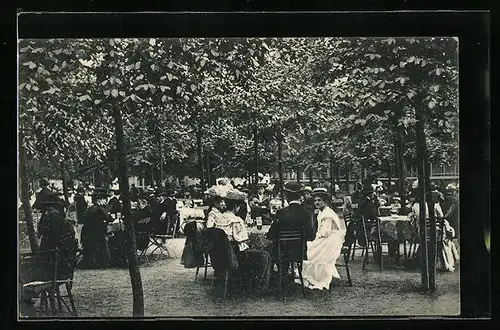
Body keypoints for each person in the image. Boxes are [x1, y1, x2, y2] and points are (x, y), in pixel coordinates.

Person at [295, 188, 346, 291]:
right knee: (311, 247)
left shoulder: (327, 214)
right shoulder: (322, 211)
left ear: (325, 202)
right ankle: (313, 274)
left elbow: (325, 232)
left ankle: (318, 277)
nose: (317, 202)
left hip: (330, 240)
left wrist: (315, 237)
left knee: (311, 249)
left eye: (319, 200)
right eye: (315, 201)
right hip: (327, 238)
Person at [267, 182, 315, 288]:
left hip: (282, 253)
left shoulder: (281, 212)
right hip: (300, 252)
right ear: (300, 196)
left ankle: (281, 277)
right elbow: (311, 236)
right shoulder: (306, 213)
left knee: (271, 249)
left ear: (287, 197)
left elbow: (271, 235)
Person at [79, 193, 112, 269]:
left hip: (86, 232)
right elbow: (108, 218)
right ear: (99, 200)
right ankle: (104, 263)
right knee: (104, 241)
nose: (105, 201)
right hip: (96, 233)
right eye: (104, 200)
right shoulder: (100, 208)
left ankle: (91, 262)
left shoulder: (90, 208)